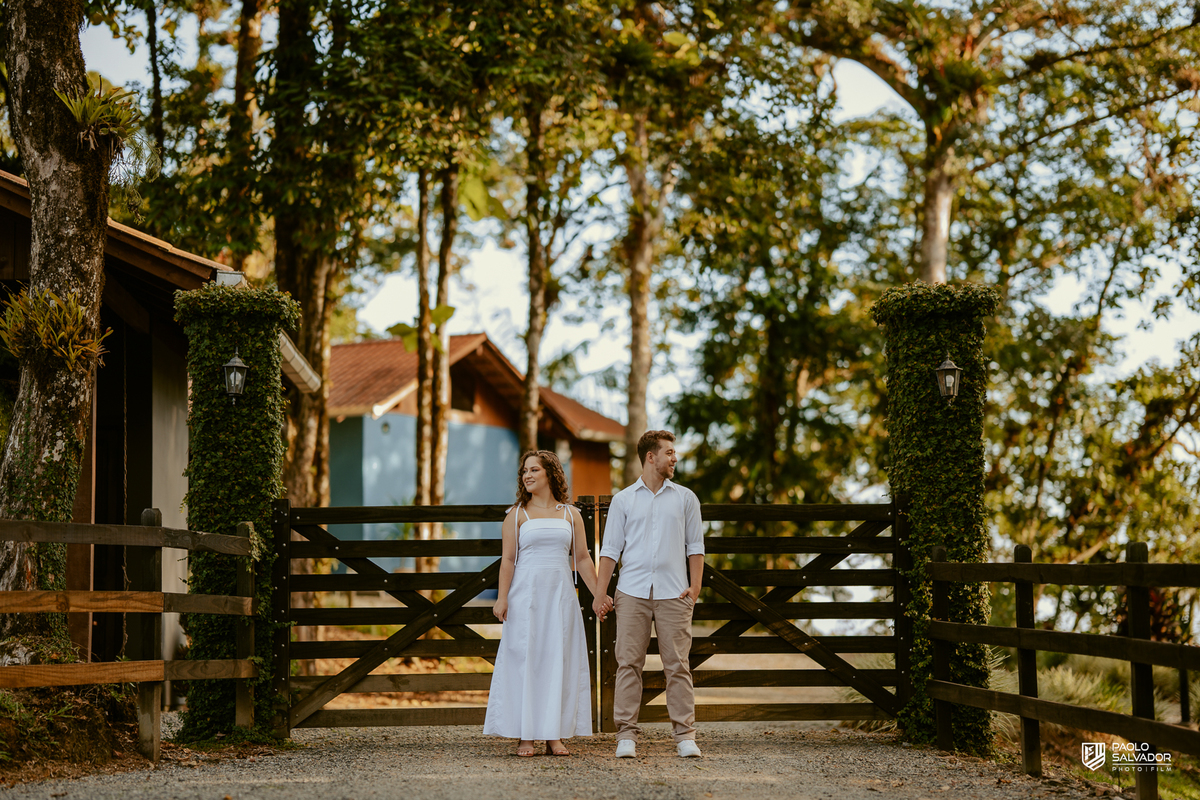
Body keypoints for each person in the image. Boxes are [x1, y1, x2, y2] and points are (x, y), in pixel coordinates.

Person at [483, 449, 613, 756]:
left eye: (534, 470)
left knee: (558, 659)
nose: (527, 475)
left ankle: (554, 734)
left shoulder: (571, 515)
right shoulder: (517, 514)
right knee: (526, 660)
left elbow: (581, 559)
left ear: (550, 474)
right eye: (524, 471)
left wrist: (598, 594)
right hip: (525, 597)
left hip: (560, 596)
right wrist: (502, 598)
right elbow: (508, 561)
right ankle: (525, 735)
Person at [593, 430, 704, 759]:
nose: (675, 458)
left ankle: (685, 735)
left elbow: (695, 548)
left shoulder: (686, 499)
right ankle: (626, 735)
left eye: (675, 452)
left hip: (675, 593)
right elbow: (609, 551)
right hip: (631, 592)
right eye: (669, 452)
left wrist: (695, 588)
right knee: (628, 664)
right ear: (650, 457)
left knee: (678, 666)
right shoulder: (624, 500)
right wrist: (601, 595)